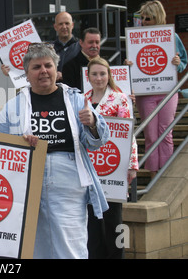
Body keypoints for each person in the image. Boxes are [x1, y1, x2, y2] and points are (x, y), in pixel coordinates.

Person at [0, 43, 109, 259]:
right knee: (34, 243)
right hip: (27, 179)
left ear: (57, 71)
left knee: (70, 242)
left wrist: (92, 122)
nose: (43, 71)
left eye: (48, 65)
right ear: (27, 74)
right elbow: (0, 147)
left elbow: (97, 142)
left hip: (68, 178)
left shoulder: (77, 100)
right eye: (36, 67)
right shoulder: (12, 107)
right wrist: (19, 143)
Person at [84, 57, 139, 259]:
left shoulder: (120, 99)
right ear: (88, 77)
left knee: (114, 220)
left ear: (109, 75)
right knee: (92, 220)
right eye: (94, 74)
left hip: (114, 167)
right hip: (90, 168)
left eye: (102, 74)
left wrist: (132, 165)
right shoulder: (82, 99)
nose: (99, 78)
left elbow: (128, 133)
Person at [126, 0, 187, 178]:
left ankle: (166, 171)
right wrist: (128, 65)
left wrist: (178, 63)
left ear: (157, 17)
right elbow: (134, 63)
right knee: (151, 135)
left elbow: (183, 62)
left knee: (165, 132)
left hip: (168, 90)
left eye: (148, 18)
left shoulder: (172, 36)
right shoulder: (135, 38)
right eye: (143, 18)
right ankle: (153, 173)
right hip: (145, 93)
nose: (144, 21)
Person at [0, 11, 80, 82]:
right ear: (55, 27)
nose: (64, 27)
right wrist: (12, 72)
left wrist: (65, 75)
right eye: (60, 24)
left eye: (67, 23)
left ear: (72, 25)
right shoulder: (46, 48)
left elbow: (86, 71)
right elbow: (32, 68)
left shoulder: (81, 47)